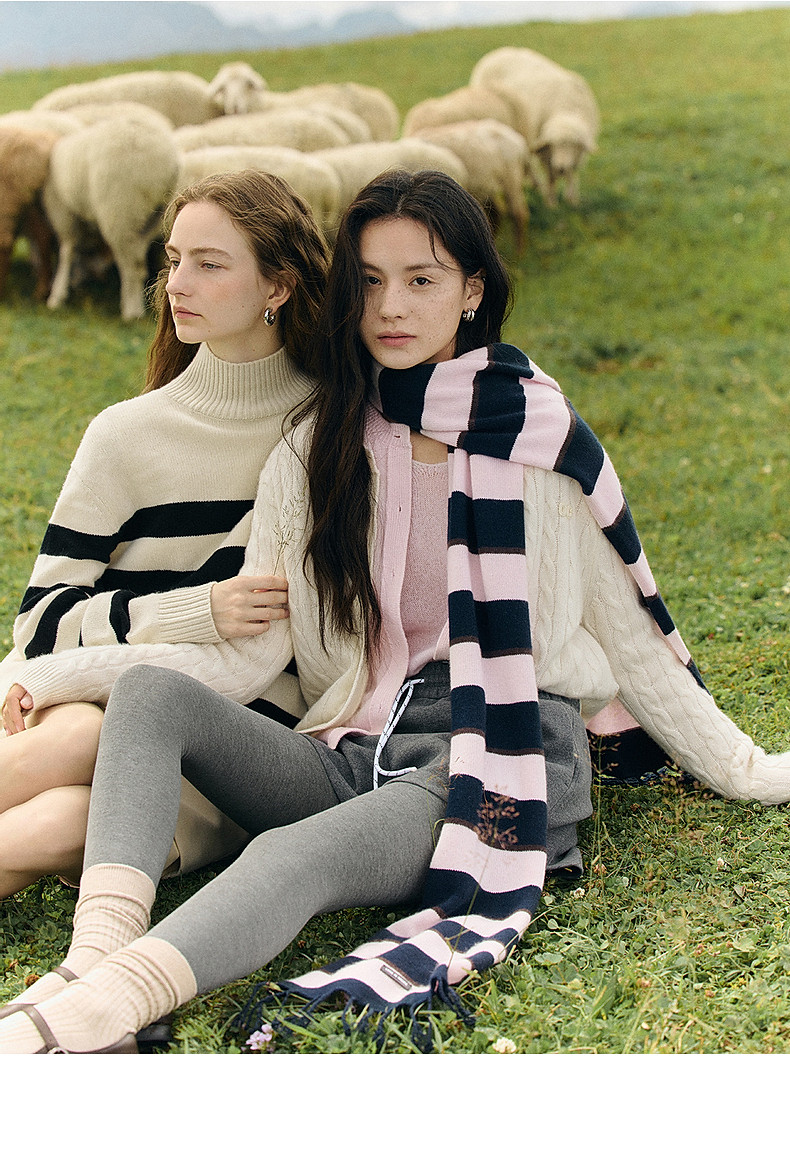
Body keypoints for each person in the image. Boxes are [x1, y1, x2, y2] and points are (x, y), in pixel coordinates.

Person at [2, 168, 790, 1055]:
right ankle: (91, 960)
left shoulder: (538, 440)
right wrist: (47, 675)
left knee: (288, 855)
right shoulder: (319, 444)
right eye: (372, 280)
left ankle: (105, 1013)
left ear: (472, 291)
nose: (392, 306)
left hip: (493, 749)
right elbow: (248, 656)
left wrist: (750, 769)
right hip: (355, 741)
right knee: (150, 696)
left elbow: (632, 638)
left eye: (422, 279)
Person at [0, 169, 329, 898]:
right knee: (84, 735)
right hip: (94, 694)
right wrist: (193, 611)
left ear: (278, 287)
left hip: (237, 727)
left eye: (209, 264)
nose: (177, 283)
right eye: (174, 260)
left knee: (72, 819)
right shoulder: (126, 434)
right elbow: (41, 623)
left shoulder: (330, 430)